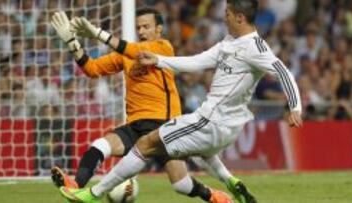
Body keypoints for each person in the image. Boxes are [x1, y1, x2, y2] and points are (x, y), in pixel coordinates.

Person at [60, 0, 304, 202]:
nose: (224, 18)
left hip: (210, 120)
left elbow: (283, 71)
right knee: (196, 161)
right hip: (222, 126)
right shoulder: (229, 43)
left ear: (240, 18)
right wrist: (159, 61)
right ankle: (231, 185)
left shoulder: (255, 48)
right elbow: (197, 61)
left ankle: (92, 194)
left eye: (228, 14)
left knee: (146, 144)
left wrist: (295, 106)